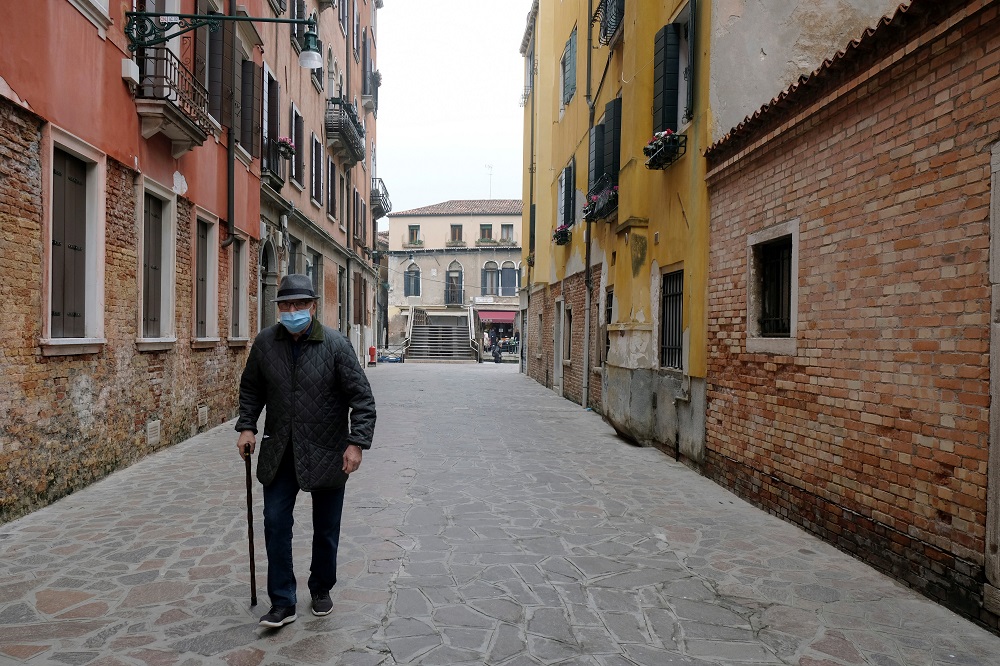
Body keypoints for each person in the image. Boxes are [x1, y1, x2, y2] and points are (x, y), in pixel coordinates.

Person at [235, 274, 376, 629]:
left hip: (328, 449)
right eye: (285, 305)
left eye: (299, 304)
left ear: (313, 306)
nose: (292, 310)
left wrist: (356, 443)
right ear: (279, 308)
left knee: (326, 528)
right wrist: (247, 426)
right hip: (280, 450)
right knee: (275, 522)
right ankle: (282, 601)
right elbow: (251, 389)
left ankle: (321, 588)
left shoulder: (336, 345)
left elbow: (362, 399)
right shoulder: (265, 343)